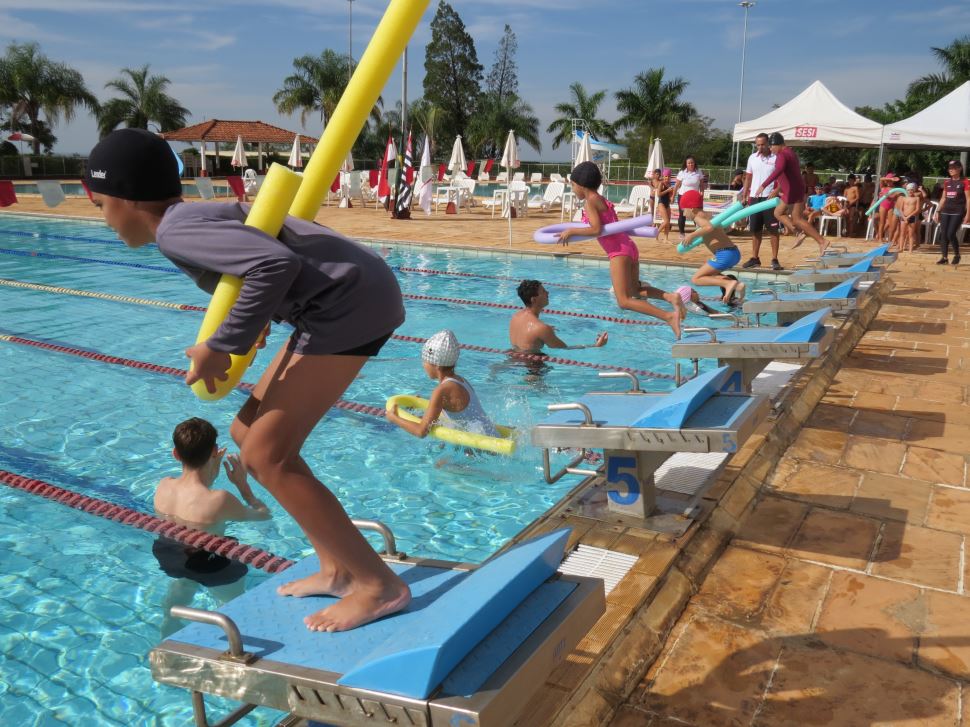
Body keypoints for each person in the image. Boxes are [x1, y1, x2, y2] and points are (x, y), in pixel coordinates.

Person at [86, 128, 411, 632]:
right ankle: (336, 568)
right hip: (335, 301)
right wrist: (251, 322)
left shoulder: (175, 230)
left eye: (101, 203)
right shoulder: (184, 217)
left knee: (266, 455)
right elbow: (265, 265)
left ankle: (378, 585)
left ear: (127, 199)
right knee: (244, 435)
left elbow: (272, 263)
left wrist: (223, 343)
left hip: (349, 305)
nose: (102, 218)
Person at [153, 417, 272, 637]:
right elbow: (264, 515)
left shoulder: (164, 486)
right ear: (215, 451)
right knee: (234, 606)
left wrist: (210, 474)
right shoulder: (219, 500)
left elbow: (192, 498)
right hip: (210, 565)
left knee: (186, 578)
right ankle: (227, 638)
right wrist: (242, 486)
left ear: (175, 454)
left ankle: (169, 619)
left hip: (169, 555)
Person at [557, 162, 685, 337]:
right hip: (629, 246)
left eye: (572, 185)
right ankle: (671, 297)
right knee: (634, 290)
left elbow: (596, 229)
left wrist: (572, 231)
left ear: (581, 184)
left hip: (618, 252)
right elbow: (612, 226)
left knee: (623, 301)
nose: (572, 189)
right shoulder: (602, 199)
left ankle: (669, 317)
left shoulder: (590, 202)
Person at [386, 330, 498, 440]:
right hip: (492, 438)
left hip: (480, 448)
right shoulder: (461, 381)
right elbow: (452, 417)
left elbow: (422, 431)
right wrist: (419, 410)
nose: (423, 365)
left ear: (437, 366)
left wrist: (395, 418)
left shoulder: (441, 391)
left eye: (425, 361)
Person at [754, 132, 830, 255]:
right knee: (779, 213)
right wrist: (778, 189)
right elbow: (786, 174)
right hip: (793, 189)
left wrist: (764, 185)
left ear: (777, 144)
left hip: (793, 190)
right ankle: (799, 233)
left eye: (771, 146)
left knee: (797, 219)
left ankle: (821, 241)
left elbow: (778, 171)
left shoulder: (782, 155)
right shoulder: (789, 152)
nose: (771, 149)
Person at [509, 280, 608, 353]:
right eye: (543, 292)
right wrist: (595, 345)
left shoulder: (516, 316)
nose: (548, 293)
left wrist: (543, 331)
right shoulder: (541, 328)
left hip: (513, 356)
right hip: (533, 367)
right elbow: (565, 349)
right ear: (534, 300)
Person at [683, 206, 745, 304]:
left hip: (724, 254)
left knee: (696, 279)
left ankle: (728, 283)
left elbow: (709, 227)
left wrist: (692, 235)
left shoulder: (698, 218)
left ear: (691, 208)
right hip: (734, 252)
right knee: (711, 275)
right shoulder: (709, 216)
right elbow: (719, 231)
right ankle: (738, 285)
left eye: (684, 210)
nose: (683, 214)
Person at [740, 132, 782, 270]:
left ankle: (774, 259)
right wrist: (745, 193)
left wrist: (775, 192)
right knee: (755, 229)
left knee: (773, 230)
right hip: (755, 197)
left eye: (763, 144)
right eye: (758, 145)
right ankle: (755, 258)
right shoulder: (752, 158)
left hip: (770, 199)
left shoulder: (776, 158)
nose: (760, 147)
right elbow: (748, 177)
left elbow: (783, 178)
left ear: (768, 143)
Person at [935, 159, 970, 265]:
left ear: (960, 168)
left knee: (951, 233)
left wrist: (968, 214)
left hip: (958, 211)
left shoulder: (965, 181)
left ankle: (957, 254)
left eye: (954, 168)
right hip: (946, 210)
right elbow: (943, 198)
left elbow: (968, 199)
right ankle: (944, 257)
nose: (951, 170)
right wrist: (938, 211)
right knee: (944, 233)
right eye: (950, 168)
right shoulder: (947, 182)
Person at [671, 156, 705, 243]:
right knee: (682, 215)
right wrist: (673, 196)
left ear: (694, 163)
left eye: (692, 163)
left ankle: (698, 233)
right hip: (683, 196)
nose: (691, 164)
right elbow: (676, 186)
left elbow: (701, 185)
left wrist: (702, 194)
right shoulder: (682, 172)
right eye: (689, 163)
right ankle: (682, 233)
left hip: (694, 197)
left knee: (696, 215)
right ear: (686, 164)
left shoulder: (698, 172)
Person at [895, 183, 922, 253]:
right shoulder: (903, 198)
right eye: (909, 190)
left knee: (911, 234)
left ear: (914, 190)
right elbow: (900, 209)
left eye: (912, 190)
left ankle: (910, 249)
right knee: (902, 233)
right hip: (904, 217)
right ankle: (901, 248)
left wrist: (909, 216)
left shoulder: (917, 198)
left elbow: (917, 209)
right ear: (906, 191)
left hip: (912, 217)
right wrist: (904, 217)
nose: (910, 191)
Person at [650, 168, 674, 242]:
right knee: (666, 221)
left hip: (667, 204)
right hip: (661, 204)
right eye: (666, 176)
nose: (667, 178)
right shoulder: (661, 184)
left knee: (668, 222)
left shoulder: (669, 184)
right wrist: (667, 190)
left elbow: (669, 196)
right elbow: (658, 194)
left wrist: (671, 198)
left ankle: (666, 238)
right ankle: (656, 233)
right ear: (663, 177)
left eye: (668, 176)